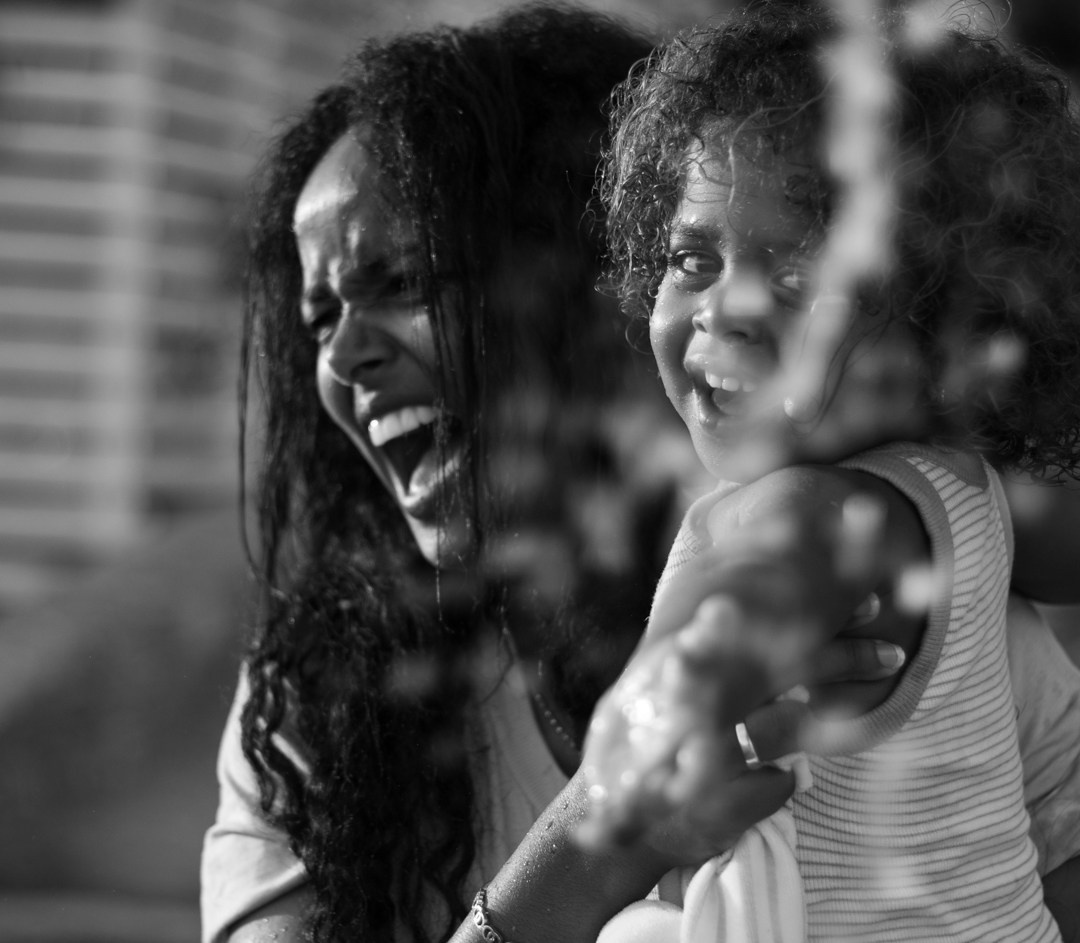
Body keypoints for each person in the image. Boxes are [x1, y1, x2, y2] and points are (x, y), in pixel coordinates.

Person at [202, 5, 1080, 943]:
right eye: (319, 318)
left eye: (405, 283)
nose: (342, 360)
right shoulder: (317, 699)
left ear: (584, 280)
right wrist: (604, 838)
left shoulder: (894, 604)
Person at [583, 1, 1080, 939]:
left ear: (939, 326)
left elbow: (655, 726)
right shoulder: (969, 489)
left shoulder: (824, 509)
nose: (725, 309)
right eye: (693, 256)